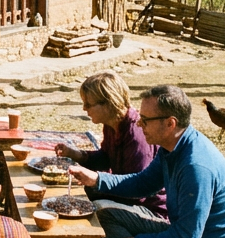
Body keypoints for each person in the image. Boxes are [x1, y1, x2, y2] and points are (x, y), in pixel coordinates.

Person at [78, 85, 225, 238]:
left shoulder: (195, 166)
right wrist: (97, 179)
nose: (139, 123)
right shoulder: (171, 146)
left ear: (170, 123)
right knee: (101, 210)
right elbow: (143, 183)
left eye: (145, 120)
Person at [59, 71, 166, 221]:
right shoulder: (112, 123)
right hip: (126, 195)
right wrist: (75, 154)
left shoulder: (136, 135)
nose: (84, 108)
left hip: (150, 210)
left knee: (92, 206)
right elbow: (106, 158)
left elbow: (138, 192)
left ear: (109, 103)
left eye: (89, 104)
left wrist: (96, 183)